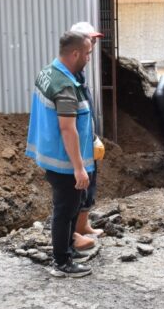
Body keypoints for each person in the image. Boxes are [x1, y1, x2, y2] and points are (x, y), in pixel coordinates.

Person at [25, 30, 96, 278]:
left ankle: (67, 250)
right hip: (64, 160)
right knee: (65, 210)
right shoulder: (64, 85)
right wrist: (78, 167)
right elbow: (67, 128)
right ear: (75, 53)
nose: (89, 58)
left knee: (70, 206)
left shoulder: (49, 72)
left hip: (53, 154)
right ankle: (62, 261)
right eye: (87, 53)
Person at [68, 21, 105, 251]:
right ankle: (71, 235)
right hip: (77, 142)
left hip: (86, 139)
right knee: (76, 188)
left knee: (89, 184)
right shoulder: (70, 73)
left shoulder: (80, 71)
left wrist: (93, 137)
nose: (93, 44)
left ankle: (83, 226)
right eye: (90, 40)